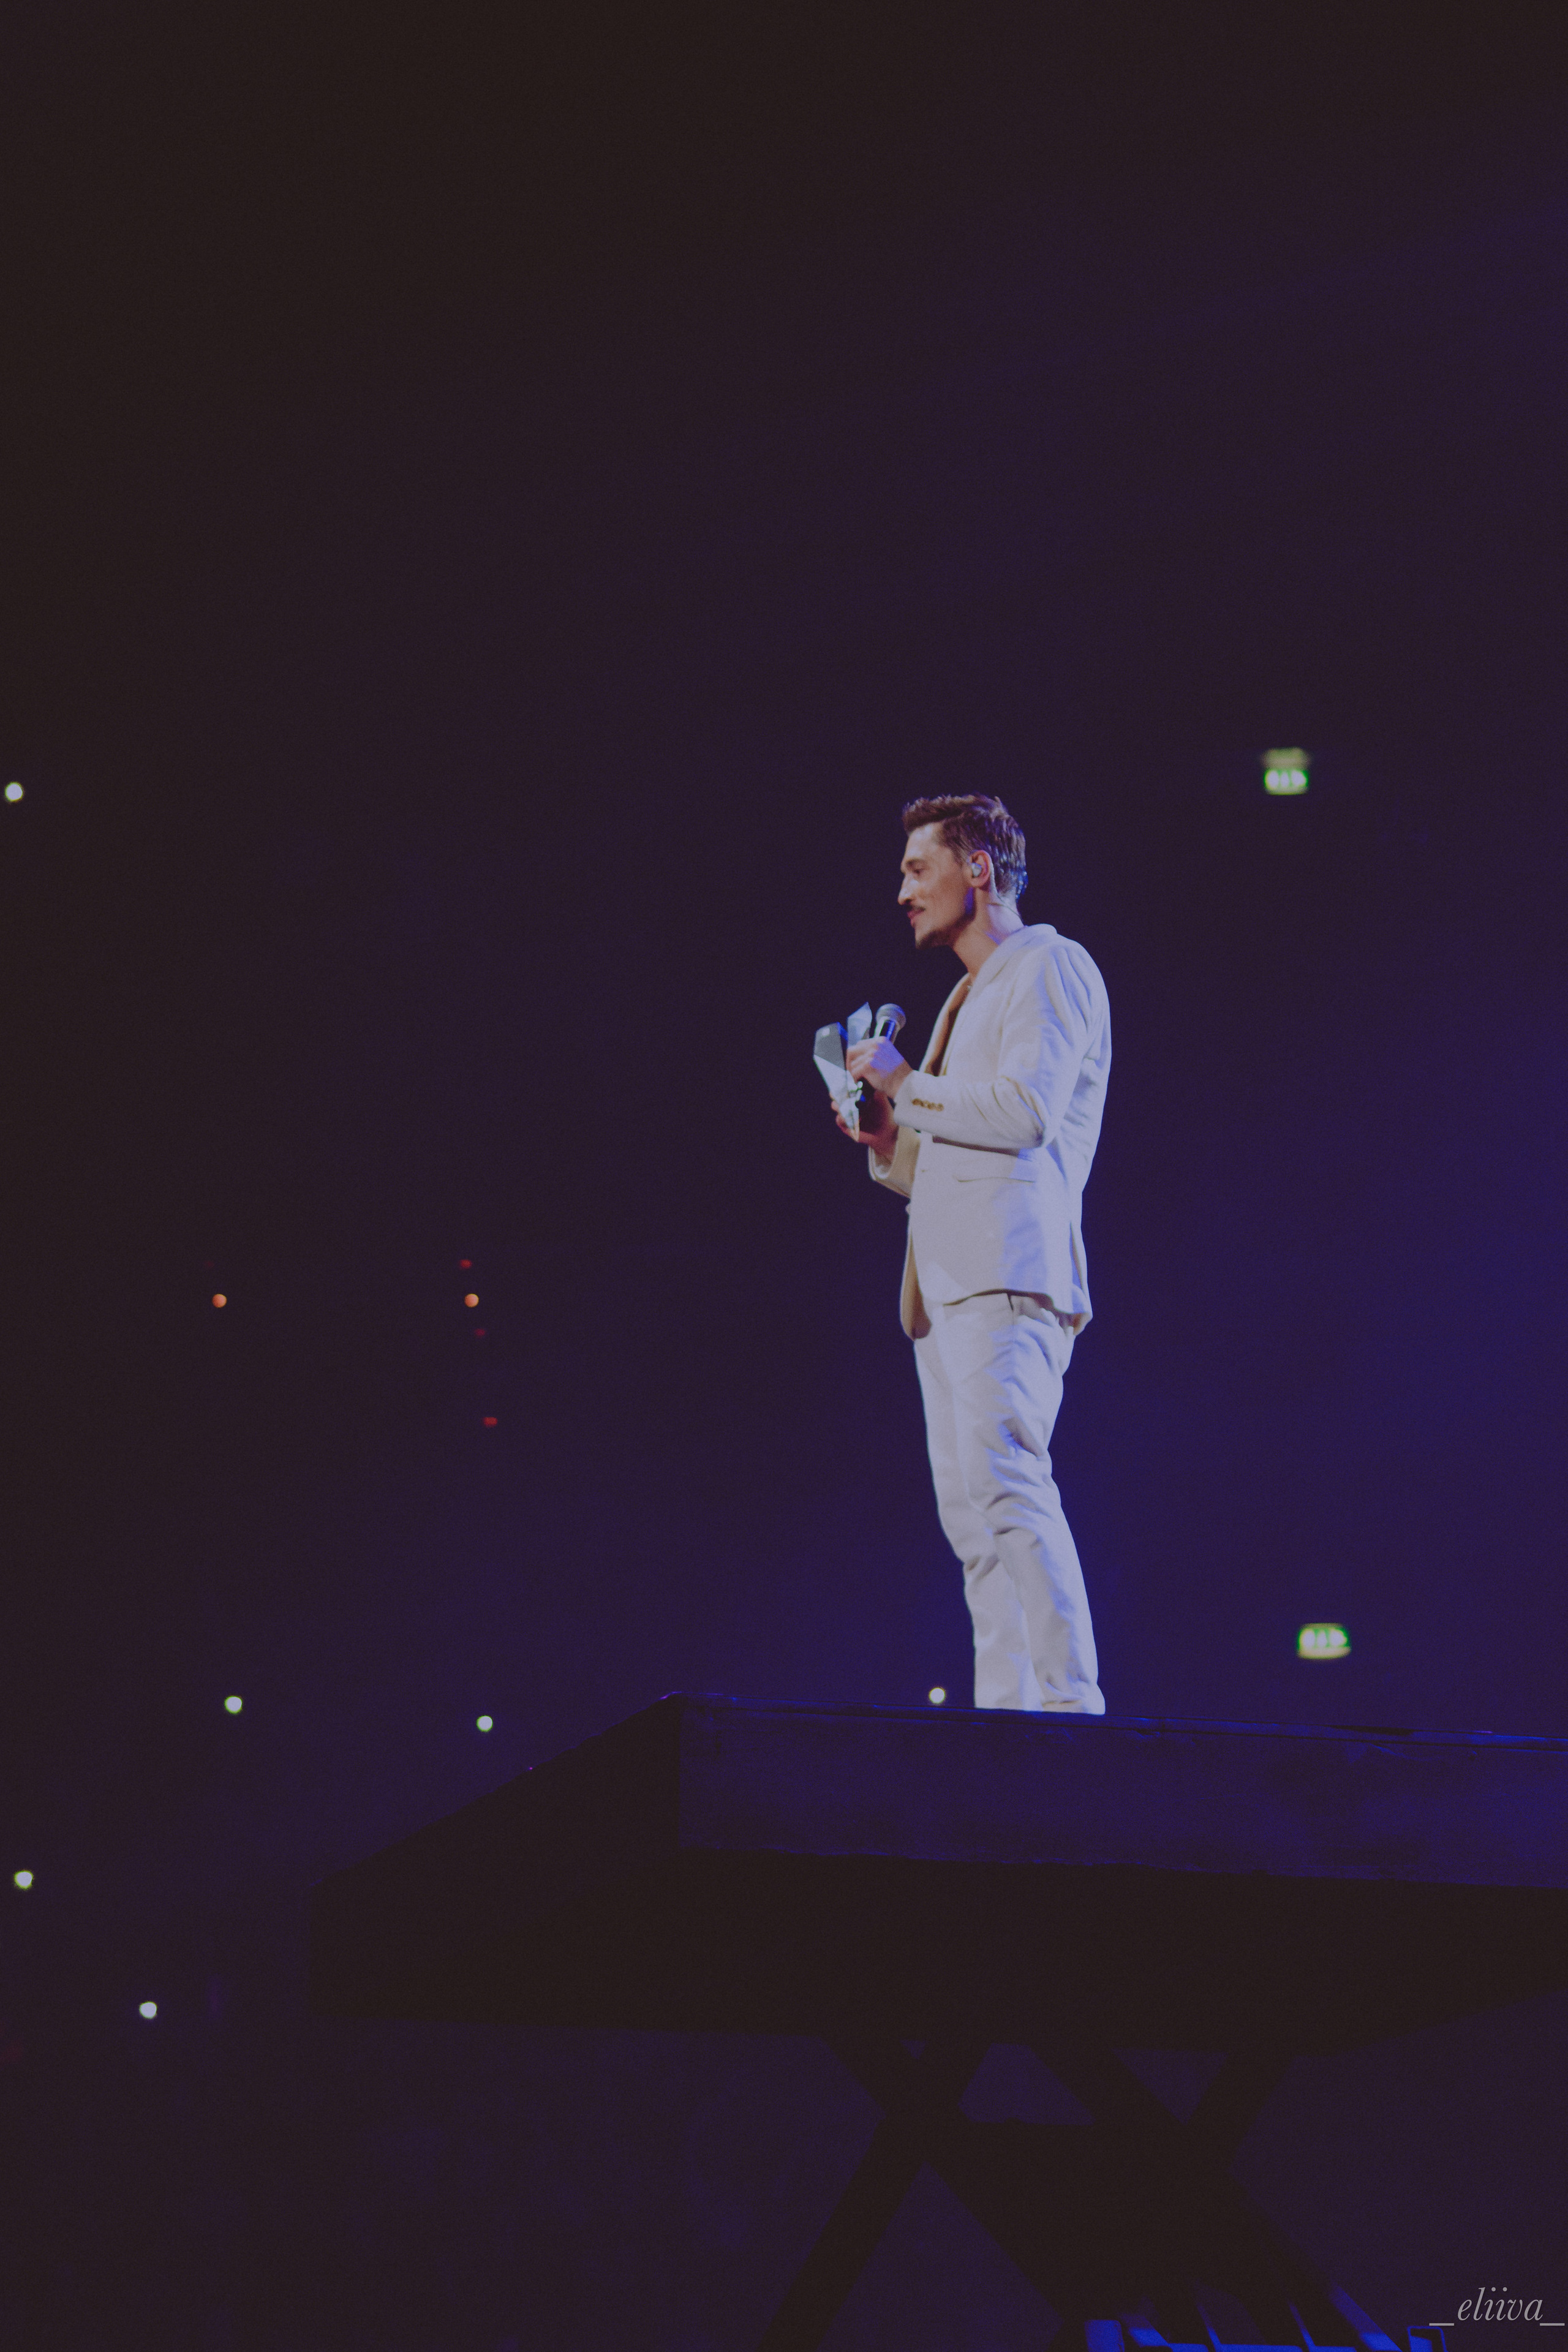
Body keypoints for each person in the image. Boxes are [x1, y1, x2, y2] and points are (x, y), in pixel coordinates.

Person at [839, 793, 1110, 1714]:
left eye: (919, 869)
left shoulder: (1050, 966)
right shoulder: (964, 994)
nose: (904, 891)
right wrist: (888, 1136)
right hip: (946, 1285)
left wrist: (910, 1085)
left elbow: (1028, 1114)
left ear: (978, 869)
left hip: (1009, 1273)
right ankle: (1007, 1731)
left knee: (1007, 1485)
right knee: (975, 1527)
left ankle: (1075, 1714)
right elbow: (950, 1158)